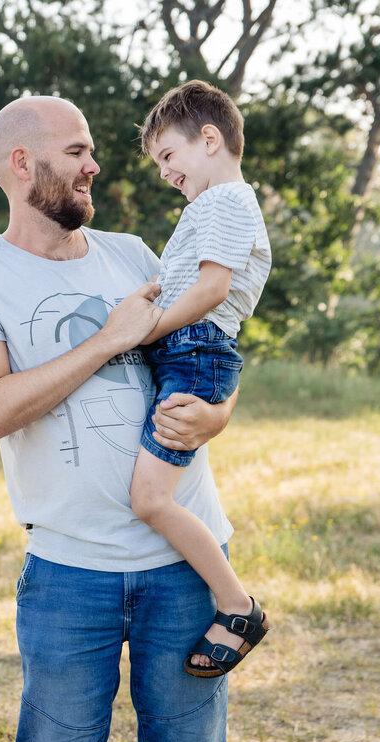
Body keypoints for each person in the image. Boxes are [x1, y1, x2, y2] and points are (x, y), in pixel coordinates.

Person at [0, 96, 238, 742]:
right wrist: (108, 339)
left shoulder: (131, 254)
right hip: (70, 574)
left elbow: (208, 347)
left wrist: (218, 416)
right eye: (76, 151)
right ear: (22, 163)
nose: (94, 165)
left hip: (184, 568)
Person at [130, 80, 272, 678]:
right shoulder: (213, 207)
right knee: (151, 493)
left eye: (169, 156)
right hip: (189, 350)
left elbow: (212, 290)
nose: (165, 172)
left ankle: (237, 607)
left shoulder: (225, 203)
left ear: (209, 140)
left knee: (150, 498)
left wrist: (142, 329)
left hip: (196, 352)